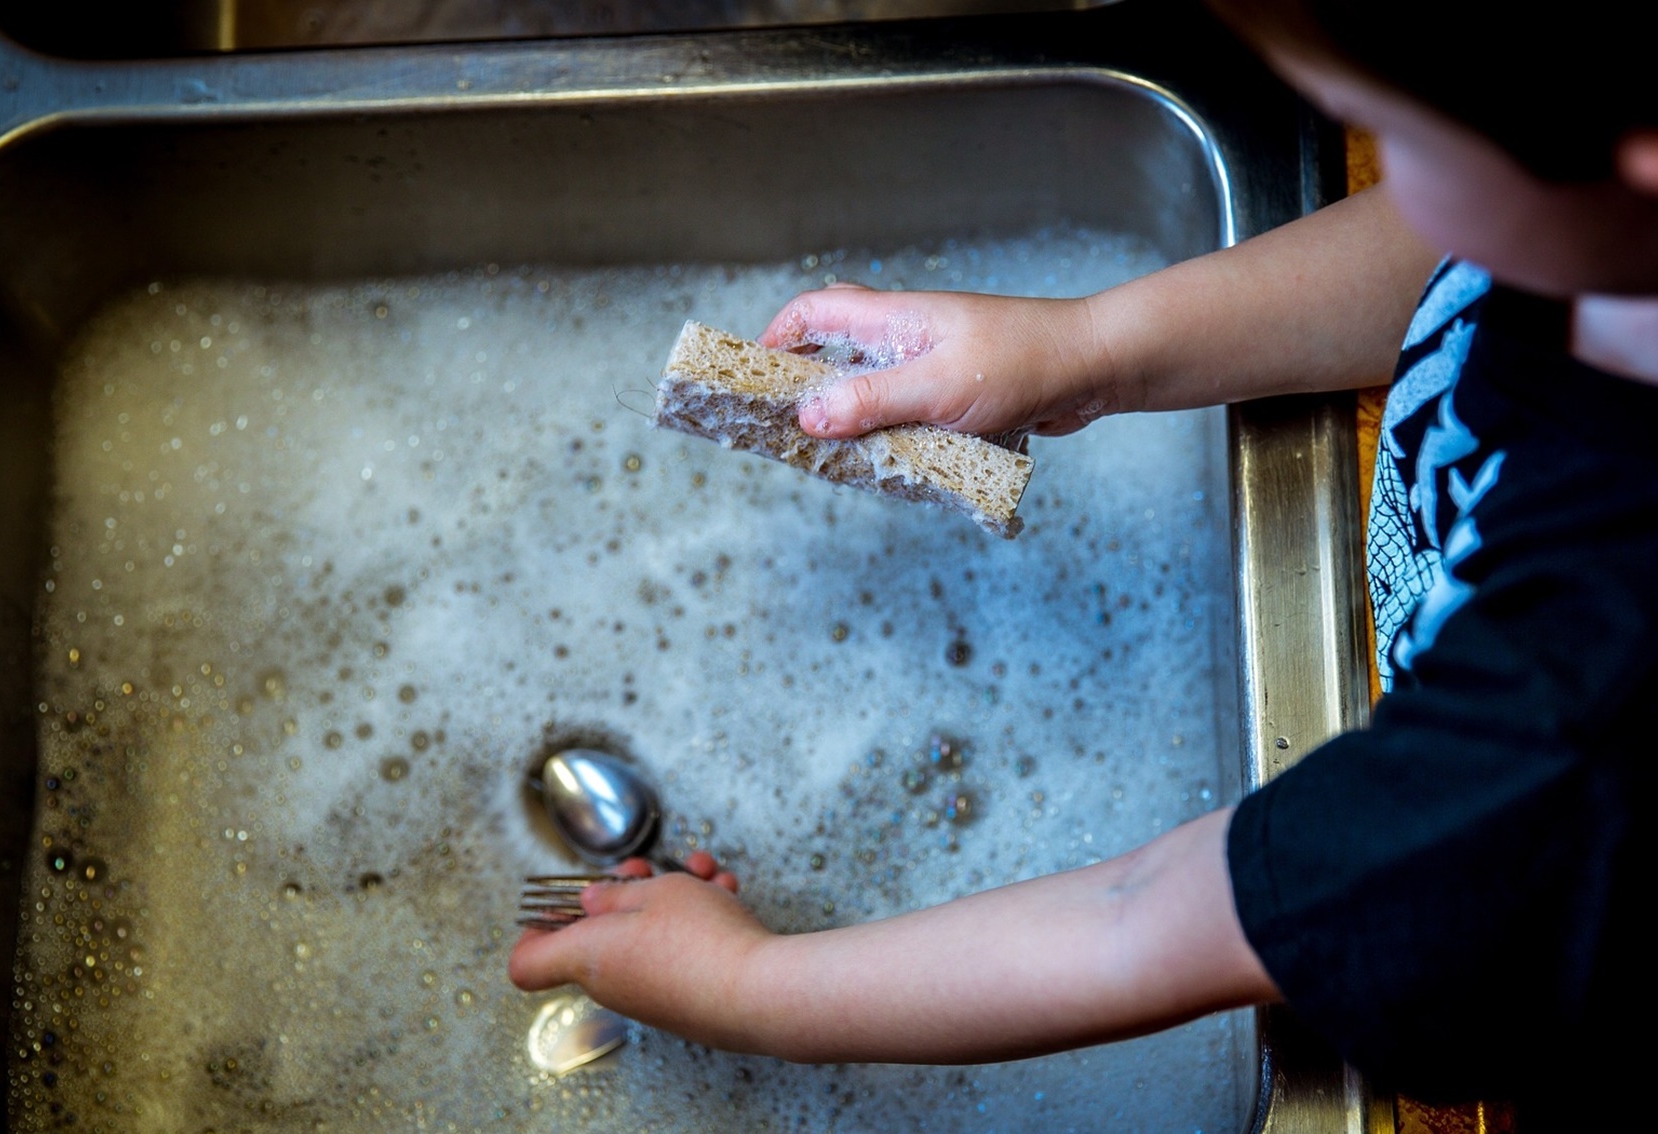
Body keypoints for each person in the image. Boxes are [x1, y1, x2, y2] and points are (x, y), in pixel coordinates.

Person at [509, 1, 1657, 1117]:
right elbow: (1453, 256)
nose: (1391, 182)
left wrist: (748, 990)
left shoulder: (1567, 745)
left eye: (1400, 138)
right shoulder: (1603, 245)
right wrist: (1086, 349)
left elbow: (1143, 919)